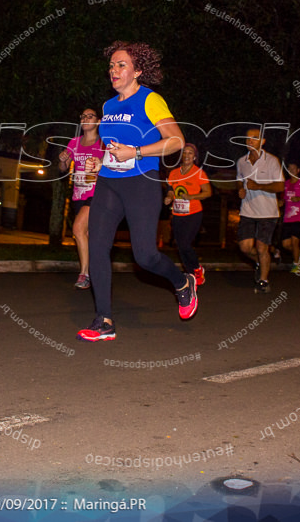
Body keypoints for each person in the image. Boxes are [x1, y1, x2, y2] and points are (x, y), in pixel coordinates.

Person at [76, 41, 197, 342]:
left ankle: (183, 283)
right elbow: (112, 147)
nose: (113, 71)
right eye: (111, 66)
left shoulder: (150, 100)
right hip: (108, 182)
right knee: (97, 248)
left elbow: (176, 141)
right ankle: (103, 320)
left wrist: (137, 152)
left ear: (138, 70)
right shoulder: (108, 106)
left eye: (121, 65)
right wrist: (99, 157)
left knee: (145, 256)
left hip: (141, 181)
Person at [236, 127, 284, 294]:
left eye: (254, 138)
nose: (250, 141)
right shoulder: (241, 161)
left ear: (262, 142)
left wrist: (258, 186)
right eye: (247, 138)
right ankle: (260, 262)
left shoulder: (272, 161)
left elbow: (280, 186)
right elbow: (239, 180)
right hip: (248, 210)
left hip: (268, 212)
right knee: (245, 247)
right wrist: (240, 190)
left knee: (262, 247)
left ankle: (263, 280)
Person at [58, 107, 102, 289]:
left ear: (98, 121)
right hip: (79, 194)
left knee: (77, 228)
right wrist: (62, 159)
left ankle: (84, 274)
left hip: (97, 194)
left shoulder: (104, 143)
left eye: (89, 116)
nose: (85, 119)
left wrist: (100, 169)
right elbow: (63, 168)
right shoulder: (74, 143)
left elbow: (113, 167)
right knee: (87, 234)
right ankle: (95, 270)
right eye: (83, 116)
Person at [165, 143, 211, 285]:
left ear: (195, 157)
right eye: (184, 152)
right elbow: (171, 190)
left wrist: (191, 197)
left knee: (185, 244)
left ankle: (197, 268)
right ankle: (191, 273)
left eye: (190, 153)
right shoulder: (174, 173)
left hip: (193, 213)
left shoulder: (199, 173)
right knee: (179, 245)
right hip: (178, 213)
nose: (187, 155)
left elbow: (208, 193)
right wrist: (169, 197)